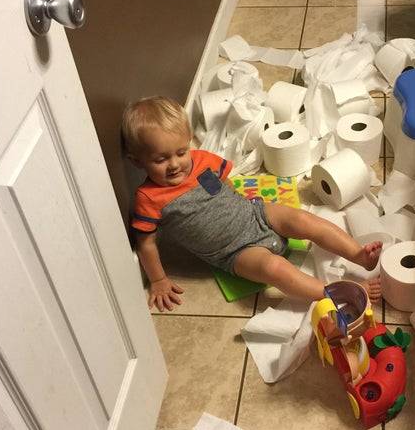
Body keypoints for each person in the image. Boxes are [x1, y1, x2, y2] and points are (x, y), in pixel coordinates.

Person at [121, 96, 382, 311]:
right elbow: (146, 243)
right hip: (234, 251)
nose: (175, 163)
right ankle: (335, 293)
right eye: (161, 159)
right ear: (137, 161)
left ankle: (358, 255)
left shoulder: (202, 162)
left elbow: (220, 187)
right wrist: (158, 279)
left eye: (181, 151)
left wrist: (240, 203)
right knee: (273, 268)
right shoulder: (149, 198)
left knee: (302, 219)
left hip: (253, 213)